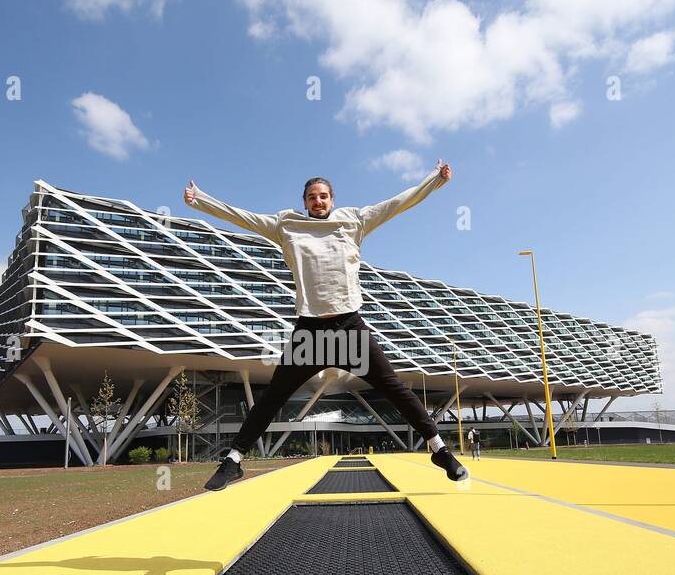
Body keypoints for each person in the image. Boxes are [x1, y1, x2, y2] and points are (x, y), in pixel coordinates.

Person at [184, 161, 469, 490]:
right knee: (272, 397)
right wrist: (200, 200)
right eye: (311, 197)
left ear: (331, 199)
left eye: (322, 196)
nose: (317, 201)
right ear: (304, 202)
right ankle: (233, 460)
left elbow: (397, 203)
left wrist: (434, 180)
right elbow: (243, 217)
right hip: (311, 332)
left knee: (395, 389)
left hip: (349, 327)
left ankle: (439, 450)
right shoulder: (286, 225)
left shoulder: (354, 221)